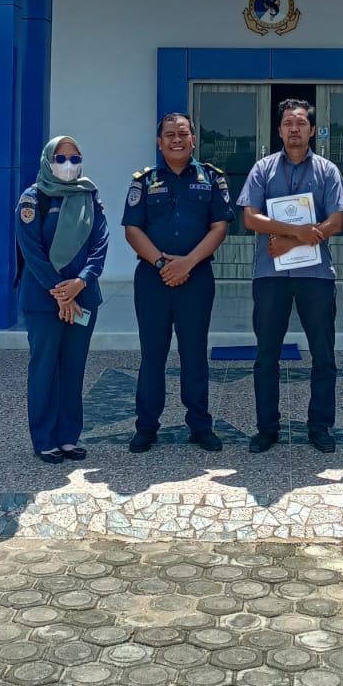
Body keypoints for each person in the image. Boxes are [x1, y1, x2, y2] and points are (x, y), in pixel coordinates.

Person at [237, 98, 343, 454]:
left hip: (315, 276)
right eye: (288, 122)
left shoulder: (327, 170)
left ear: (312, 129)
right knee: (266, 355)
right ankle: (266, 428)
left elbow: (336, 221)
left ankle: (320, 427)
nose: (294, 128)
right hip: (270, 275)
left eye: (301, 123)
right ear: (279, 130)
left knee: (323, 355)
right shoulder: (263, 169)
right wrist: (295, 232)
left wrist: (291, 241)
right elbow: (250, 218)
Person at [122, 113, 233, 454]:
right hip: (152, 278)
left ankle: (200, 425)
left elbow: (220, 227)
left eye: (183, 134)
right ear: (159, 142)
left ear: (193, 139)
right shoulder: (144, 181)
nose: (176, 140)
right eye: (169, 134)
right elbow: (132, 228)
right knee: (152, 354)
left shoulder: (211, 178)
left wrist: (188, 263)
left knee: (194, 353)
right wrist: (161, 263)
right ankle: (146, 427)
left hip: (196, 277)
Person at [15, 136, 109, 465]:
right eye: (61, 158)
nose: (68, 165)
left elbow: (100, 244)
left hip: (83, 296)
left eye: (74, 158)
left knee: (73, 368)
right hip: (44, 300)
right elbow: (32, 252)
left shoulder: (89, 195)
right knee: (44, 369)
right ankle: (44, 439)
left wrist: (80, 283)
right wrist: (60, 292)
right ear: (48, 161)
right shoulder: (33, 198)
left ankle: (69, 437)